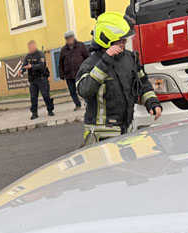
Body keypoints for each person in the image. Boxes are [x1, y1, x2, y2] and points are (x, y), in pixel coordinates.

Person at [76, 11, 162, 144]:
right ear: (107, 39)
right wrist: (105, 61)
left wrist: (152, 102)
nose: (125, 42)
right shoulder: (90, 64)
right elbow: (84, 90)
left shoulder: (130, 58)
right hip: (101, 136)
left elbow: (142, 82)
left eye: (125, 39)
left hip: (127, 131)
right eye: (121, 39)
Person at [22, 40, 54, 120]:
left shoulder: (40, 54)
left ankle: (50, 110)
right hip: (33, 80)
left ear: (35, 46)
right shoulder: (28, 56)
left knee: (45, 95)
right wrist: (21, 70)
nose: (30, 49)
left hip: (41, 78)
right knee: (33, 97)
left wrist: (32, 66)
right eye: (29, 47)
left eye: (31, 47)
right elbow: (24, 65)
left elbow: (42, 66)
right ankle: (34, 113)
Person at [58, 31, 89, 111]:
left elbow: (87, 58)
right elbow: (61, 63)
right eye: (67, 39)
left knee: (83, 89)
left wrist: (87, 69)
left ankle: (87, 102)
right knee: (72, 91)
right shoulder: (63, 50)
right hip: (69, 74)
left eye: (70, 38)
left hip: (80, 72)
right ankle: (77, 104)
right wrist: (61, 74)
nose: (69, 40)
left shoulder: (81, 46)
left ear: (73, 37)